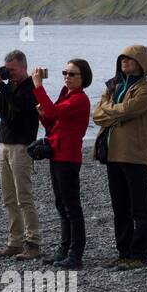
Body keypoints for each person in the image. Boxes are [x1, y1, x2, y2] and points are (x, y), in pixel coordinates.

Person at [92, 44, 147, 270]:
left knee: (138, 207)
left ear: (141, 62)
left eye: (129, 58)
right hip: (112, 153)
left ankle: (139, 254)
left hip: (134, 154)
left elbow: (130, 110)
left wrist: (111, 109)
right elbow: (96, 115)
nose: (124, 61)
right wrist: (115, 110)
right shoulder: (114, 86)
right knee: (119, 207)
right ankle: (124, 252)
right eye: (122, 58)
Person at [32, 59, 93, 269]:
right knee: (62, 205)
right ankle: (64, 250)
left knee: (72, 207)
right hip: (57, 155)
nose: (67, 76)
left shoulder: (80, 99)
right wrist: (42, 115)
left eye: (72, 74)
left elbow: (55, 113)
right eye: (65, 72)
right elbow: (52, 121)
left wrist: (38, 86)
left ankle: (76, 254)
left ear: (83, 78)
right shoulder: (66, 95)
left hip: (68, 157)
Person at [0, 50, 41, 260]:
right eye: (6, 69)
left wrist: (1, 85)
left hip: (22, 145)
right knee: (9, 198)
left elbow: (19, 106)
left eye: (12, 70)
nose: (9, 73)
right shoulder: (8, 85)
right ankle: (15, 242)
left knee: (24, 197)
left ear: (23, 67)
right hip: (4, 143)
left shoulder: (31, 87)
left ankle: (33, 243)